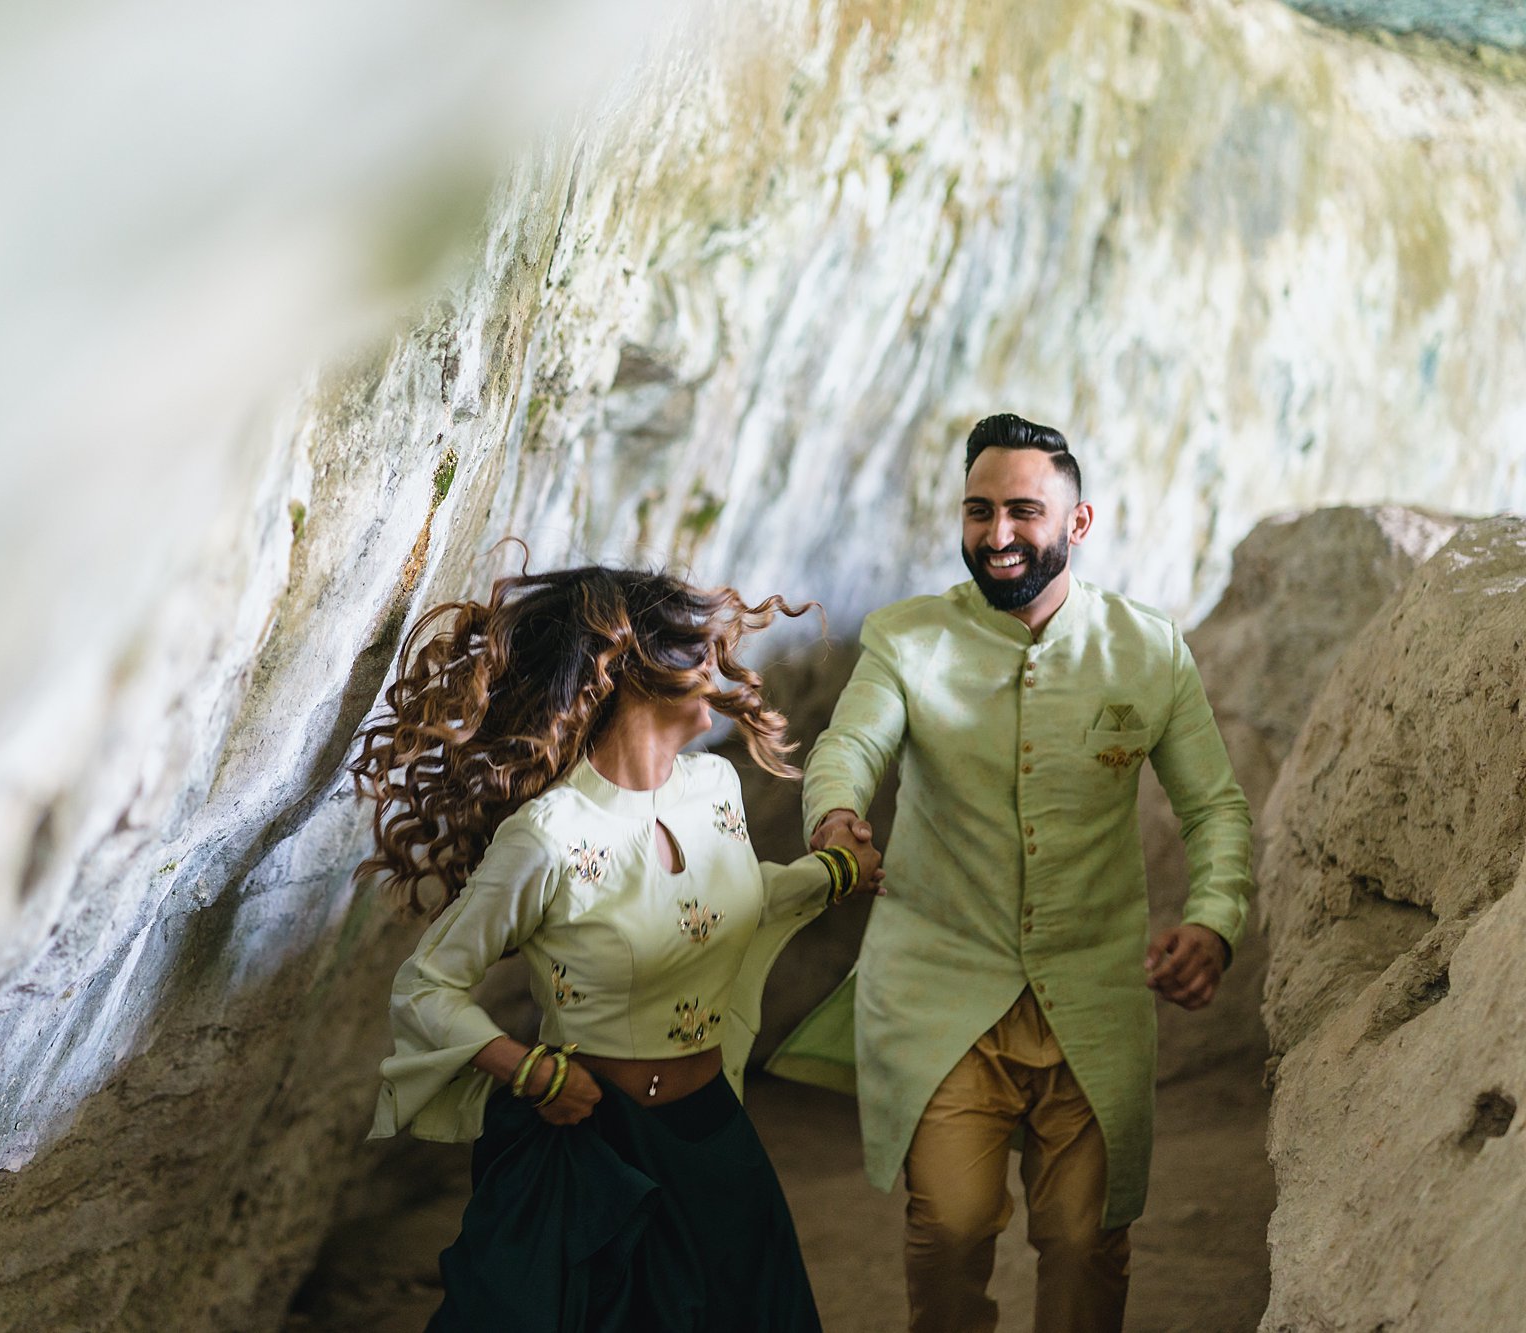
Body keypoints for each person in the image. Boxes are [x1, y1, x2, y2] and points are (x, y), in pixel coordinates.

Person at [770, 415, 1253, 1333]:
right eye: (978, 510)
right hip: (940, 990)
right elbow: (849, 745)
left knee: (1083, 1241)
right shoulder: (906, 640)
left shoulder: (1149, 650)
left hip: (1095, 995)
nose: (997, 535)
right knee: (948, 1227)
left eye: (1023, 511)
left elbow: (1215, 808)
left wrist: (1215, 918)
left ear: (1078, 523)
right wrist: (838, 819)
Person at [354, 563, 882, 1333]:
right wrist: (529, 1071)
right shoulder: (548, 836)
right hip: (597, 1153)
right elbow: (425, 987)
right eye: (699, 651)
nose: (722, 668)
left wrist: (836, 870)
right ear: (634, 671)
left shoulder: (714, 789)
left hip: (715, 1134)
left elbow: (728, 902)